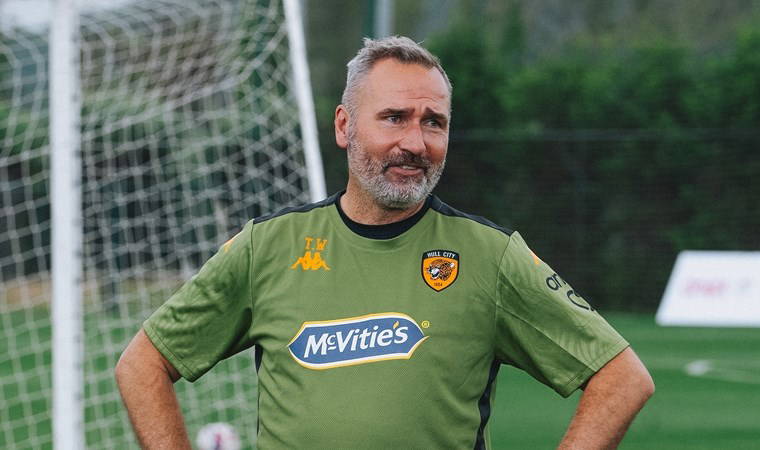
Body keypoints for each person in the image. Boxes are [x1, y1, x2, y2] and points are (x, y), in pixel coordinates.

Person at [116, 36, 654, 449]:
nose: (415, 142)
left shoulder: (489, 256)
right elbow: (142, 366)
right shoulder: (268, 247)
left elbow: (622, 377)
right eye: (394, 118)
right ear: (344, 126)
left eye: (433, 122)